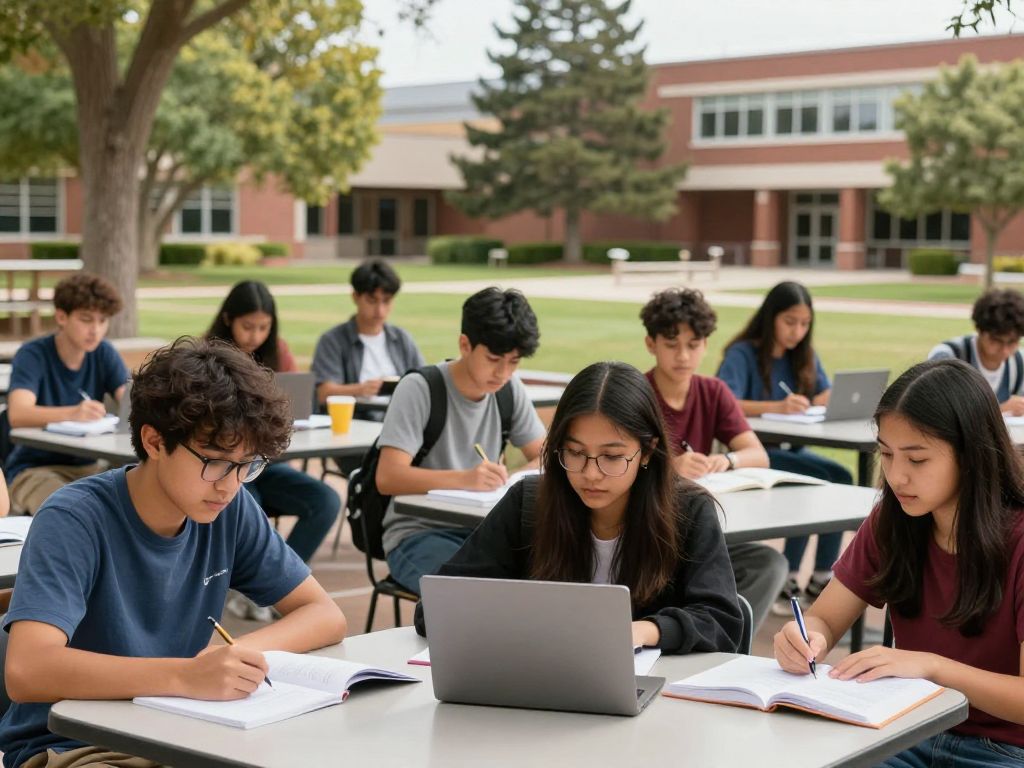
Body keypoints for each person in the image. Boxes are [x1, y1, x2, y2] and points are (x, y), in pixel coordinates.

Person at [0, 337, 347, 768]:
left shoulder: (231, 507)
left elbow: (324, 615)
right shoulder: (75, 519)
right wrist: (184, 676)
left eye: (247, 465)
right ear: (154, 441)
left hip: (183, 730)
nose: (229, 484)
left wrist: (233, 655)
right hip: (74, 745)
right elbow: (27, 670)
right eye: (215, 461)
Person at [774, 358, 1024, 767]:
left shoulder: (1019, 539)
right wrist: (804, 638)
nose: (896, 477)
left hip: (1005, 750)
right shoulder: (894, 520)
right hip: (909, 728)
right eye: (886, 454)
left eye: (917, 459)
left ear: (971, 454)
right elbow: (825, 619)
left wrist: (930, 667)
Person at [415, 361, 742, 654]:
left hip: (656, 701)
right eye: (574, 452)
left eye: (612, 457)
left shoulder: (689, 511)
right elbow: (433, 606)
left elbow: (722, 621)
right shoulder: (528, 503)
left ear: (646, 450)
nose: (590, 474)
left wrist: (645, 630)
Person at [377, 287, 546, 594]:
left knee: (549, 583)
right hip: (418, 534)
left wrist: (514, 479)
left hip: (486, 532)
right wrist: (465, 479)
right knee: (471, 599)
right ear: (465, 344)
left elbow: (545, 456)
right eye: (494, 358)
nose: (503, 372)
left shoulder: (509, 389)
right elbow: (388, 477)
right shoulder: (420, 388)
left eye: (514, 362)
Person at [641, 288, 786, 630]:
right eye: (671, 344)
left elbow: (757, 455)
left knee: (769, 564)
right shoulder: (636, 393)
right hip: (649, 534)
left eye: (693, 345)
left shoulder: (713, 392)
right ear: (651, 344)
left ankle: (730, 643)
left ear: (705, 345)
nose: (683, 355)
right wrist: (670, 467)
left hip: (703, 529)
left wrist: (728, 461)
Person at [207, 281, 341, 619]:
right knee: (249, 500)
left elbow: (292, 405)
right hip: (227, 465)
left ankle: (278, 586)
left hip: (267, 462)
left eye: (263, 327)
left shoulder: (277, 352)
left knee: (324, 500)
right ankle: (247, 588)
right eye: (247, 326)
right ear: (228, 319)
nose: (255, 335)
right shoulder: (206, 358)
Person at [717, 281, 852, 614]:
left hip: (793, 448)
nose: (797, 331)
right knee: (813, 479)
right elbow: (725, 400)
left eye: (805, 324)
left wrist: (826, 398)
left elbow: (821, 391)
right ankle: (788, 578)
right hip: (756, 453)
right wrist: (776, 406)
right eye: (790, 322)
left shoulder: (802, 355)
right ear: (771, 317)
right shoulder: (743, 353)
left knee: (841, 475)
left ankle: (822, 574)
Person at [5, 273, 129, 515]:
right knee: (71, 513)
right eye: (86, 320)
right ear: (61, 317)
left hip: (91, 467)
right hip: (34, 469)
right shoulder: (33, 354)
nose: (95, 330)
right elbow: (18, 414)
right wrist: (73, 413)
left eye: (103, 321)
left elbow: (131, 401)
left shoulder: (103, 352)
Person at [311, 258, 425, 416]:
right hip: (355, 424)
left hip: (399, 422)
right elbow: (324, 393)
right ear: (355, 297)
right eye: (372, 301)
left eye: (387, 301)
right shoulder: (333, 340)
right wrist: (361, 389)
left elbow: (424, 384)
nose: (380, 310)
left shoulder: (402, 339)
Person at [928, 287, 1024, 416]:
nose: (1005, 350)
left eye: (1012, 342)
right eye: (996, 340)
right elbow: (934, 412)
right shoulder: (947, 357)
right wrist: (998, 410)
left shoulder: (1019, 363)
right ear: (979, 330)